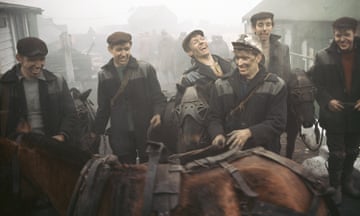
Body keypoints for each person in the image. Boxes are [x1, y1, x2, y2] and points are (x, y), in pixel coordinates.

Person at [93, 31, 167, 164]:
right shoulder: (103, 74)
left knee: (149, 171)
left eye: (126, 49)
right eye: (118, 50)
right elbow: (103, 108)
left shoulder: (145, 69)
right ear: (110, 50)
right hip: (120, 135)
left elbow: (158, 97)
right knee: (126, 174)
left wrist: (157, 114)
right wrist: (95, 132)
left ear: (131, 46)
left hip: (146, 131)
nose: (123, 54)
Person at [309, 17, 360, 204]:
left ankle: (347, 183)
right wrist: (327, 100)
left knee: (353, 150)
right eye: (338, 35)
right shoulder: (323, 56)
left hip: (356, 114)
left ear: (355, 33)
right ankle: (335, 186)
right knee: (337, 153)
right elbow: (315, 84)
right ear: (333, 35)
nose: (342, 39)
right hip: (334, 115)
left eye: (347, 35)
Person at [207, 33, 287, 153]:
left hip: (265, 152)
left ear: (258, 58)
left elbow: (278, 122)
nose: (239, 63)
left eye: (245, 58)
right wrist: (217, 134)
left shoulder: (276, 85)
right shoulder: (221, 85)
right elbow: (214, 117)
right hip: (229, 152)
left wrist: (250, 132)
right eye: (237, 58)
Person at [0, 37, 77, 142]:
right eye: (32, 60)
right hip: (19, 148)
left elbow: (70, 113)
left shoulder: (57, 81)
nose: (38, 65)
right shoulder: (4, 84)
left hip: (51, 144)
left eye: (42, 59)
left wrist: (62, 135)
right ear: (19, 58)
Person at [177, 29, 232, 102]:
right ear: (189, 52)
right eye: (195, 42)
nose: (201, 42)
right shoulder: (190, 78)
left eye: (202, 39)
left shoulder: (231, 65)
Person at [250, 11, 291, 82]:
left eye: (268, 24)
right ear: (254, 28)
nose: (264, 29)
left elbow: (287, 76)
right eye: (260, 25)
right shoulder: (246, 49)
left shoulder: (283, 49)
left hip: (277, 91)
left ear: (272, 27)